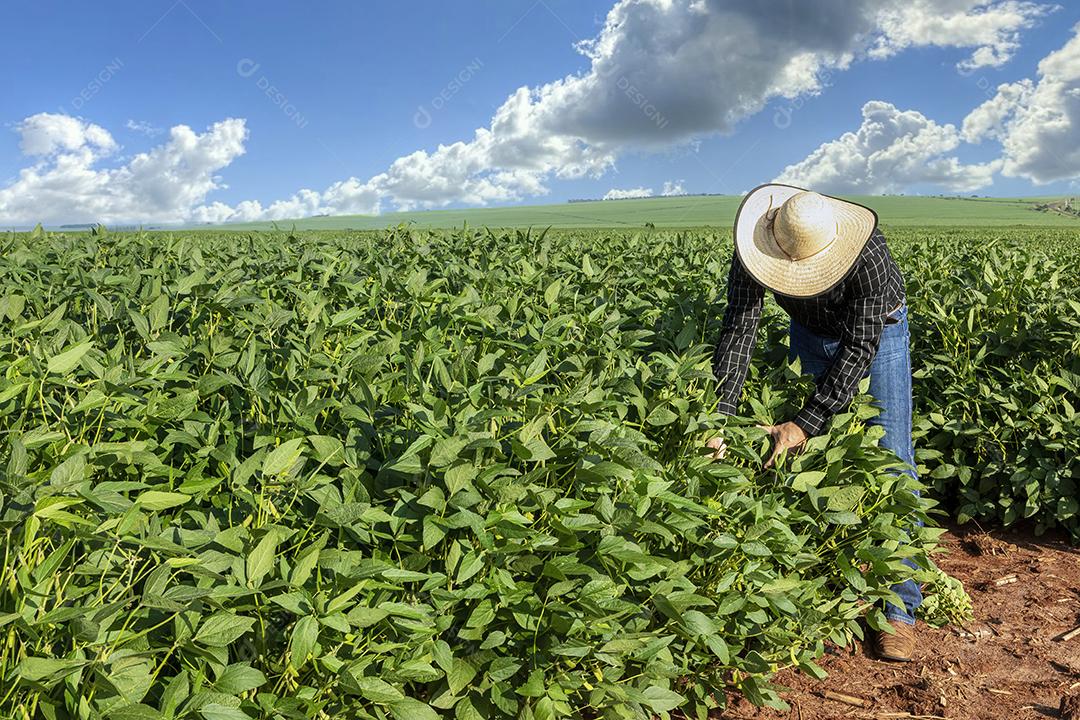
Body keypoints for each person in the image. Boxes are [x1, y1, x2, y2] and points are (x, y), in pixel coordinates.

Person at [707, 183, 921, 662]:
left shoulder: (868, 257)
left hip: (878, 334)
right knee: (811, 463)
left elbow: (858, 351)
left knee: (891, 461)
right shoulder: (755, 244)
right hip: (807, 331)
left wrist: (804, 420)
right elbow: (739, 329)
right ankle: (823, 598)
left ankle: (899, 610)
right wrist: (717, 418)